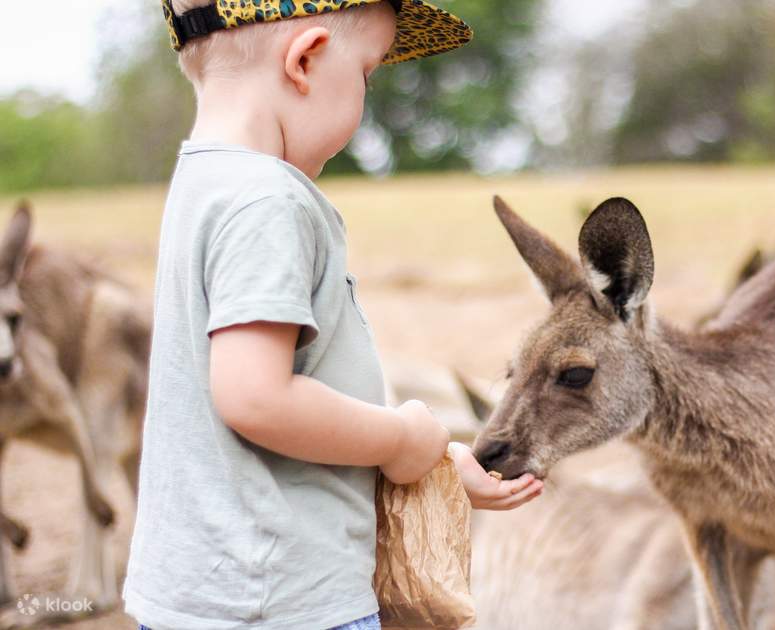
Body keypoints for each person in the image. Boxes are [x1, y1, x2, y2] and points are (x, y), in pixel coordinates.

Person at [123, 2, 542, 629]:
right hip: (283, 603)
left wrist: (433, 459)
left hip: (208, 592)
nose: (366, 98)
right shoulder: (268, 200)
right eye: (368, 73)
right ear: (305, 59)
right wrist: (401, 438)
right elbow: (257, 399)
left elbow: (273, 419)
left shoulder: (202, 184)